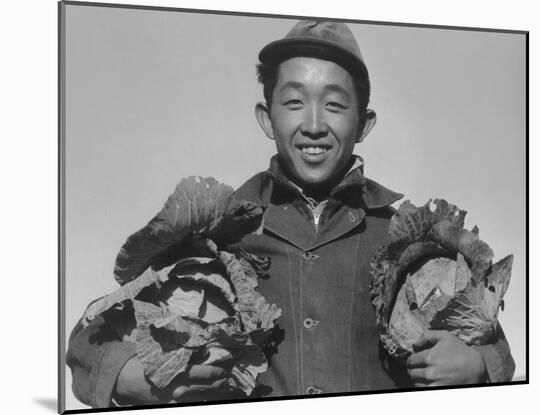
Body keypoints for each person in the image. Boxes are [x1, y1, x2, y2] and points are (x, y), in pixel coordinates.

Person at [66, 20, 515, 408]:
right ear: (266, 118)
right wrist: (130, 374)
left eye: (335, 104)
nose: (315, 123)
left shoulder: (407, 244)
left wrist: (478, 366)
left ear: (364, 123)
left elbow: (492, 349)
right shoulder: (215, 235)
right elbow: (92, 338)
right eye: (294, 101)